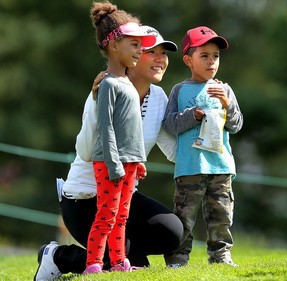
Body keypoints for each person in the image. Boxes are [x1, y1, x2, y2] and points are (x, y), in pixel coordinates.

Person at [33, 21, 182, 281]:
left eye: (164, 53)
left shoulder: (158, 97)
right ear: (131, 53)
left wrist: (209, 142)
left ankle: (121, 251)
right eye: (150, 51)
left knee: (171, 232)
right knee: (125, 269)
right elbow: (85, 150)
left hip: (123, 195)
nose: (160, 59)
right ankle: (56, 255)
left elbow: (173, 150)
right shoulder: (105, 88)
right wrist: (94, 103)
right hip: (84, 199)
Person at [83, 1, 158, 274]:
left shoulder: (127, 82)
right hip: (110, 163)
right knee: (106, 215)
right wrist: (115, 164)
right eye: (135, 44)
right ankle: (93, 264)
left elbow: (132, 129)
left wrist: (138, 160)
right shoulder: (109, 84)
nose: (141, 50)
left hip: (129, 162)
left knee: (122, 216)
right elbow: (107, 128)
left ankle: (118, 263)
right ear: (114, 45)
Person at [162, 26, 243, 268]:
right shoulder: (179, 90)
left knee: (221, 215)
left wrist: (227, 105)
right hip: (190, 167)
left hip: (221, 166)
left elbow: (236, 126)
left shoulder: (225, 89)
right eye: (204, 56)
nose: (211, 62)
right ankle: (178, 258)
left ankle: (220, 256)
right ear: (188, 60)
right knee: (184, 216)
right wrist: (192, 115)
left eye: (215, 56)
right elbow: (169, 124)